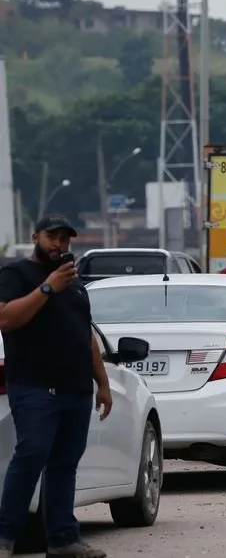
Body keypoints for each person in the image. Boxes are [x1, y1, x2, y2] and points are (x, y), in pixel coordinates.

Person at [0, 215, 111, 558]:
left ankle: (62, 540)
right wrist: (48, 287)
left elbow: (86, 336)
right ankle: (5, 537)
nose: (59, 245)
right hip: (34, 386)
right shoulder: (16, 275)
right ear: (35, 236)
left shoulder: (75, 285)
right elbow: (6, 318)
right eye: (52, 237)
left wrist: (102, 384)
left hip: (76, 390)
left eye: (65, 239)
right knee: (31, 455)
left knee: (65, 463)